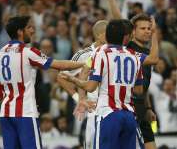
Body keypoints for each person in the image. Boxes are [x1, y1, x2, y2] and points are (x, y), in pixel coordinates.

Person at [60, 19, 159, 149]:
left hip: (106, 113)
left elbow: (90, 85)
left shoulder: (99, 53)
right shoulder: (134, 56)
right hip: (129, 115)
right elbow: (139, 90)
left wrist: (73, 80)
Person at [0, 16, 84, 149]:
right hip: (25, 112)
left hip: (5, 114)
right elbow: (59, 65)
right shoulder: (27, 52)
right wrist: (85, 63)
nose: (33, 30)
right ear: (19, 31)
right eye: (29, 27)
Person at [105, 0, 157, 149]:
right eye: (143, 28)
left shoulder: (144, 51)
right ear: (132, 32)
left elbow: (144, 84)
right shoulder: (128, 48)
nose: (148, 31)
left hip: (142, 108)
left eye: (149, 28)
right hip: (129, 107)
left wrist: (148, 107)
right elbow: (119, 19)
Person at [56, 20, 108, 149]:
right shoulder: (84, 55)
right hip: (94, 111)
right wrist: (79, 99)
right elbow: (61, 76)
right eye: (111, 33)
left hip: (114, 110)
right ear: (100, 35)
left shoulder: (116, 53)